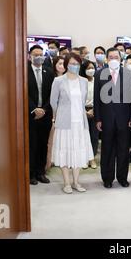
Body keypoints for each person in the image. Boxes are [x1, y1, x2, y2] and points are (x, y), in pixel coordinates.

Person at [50, 53, 94, 194]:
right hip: (64, 122)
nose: (74, 66)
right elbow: (53, 101)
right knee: (65, 151)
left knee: (78, 152)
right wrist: (57, 115)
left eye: (77, 64)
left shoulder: (83, 81)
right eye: (72, 63)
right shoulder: (58, 81)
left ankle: (76, 182)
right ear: (66, 64)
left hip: (80, 122)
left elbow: (83, 101)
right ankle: (67, 183)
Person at [94, 47, 131, 188]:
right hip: (106, 119)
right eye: (110, 57)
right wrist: (98, 118)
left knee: (124, 149)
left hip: (124, 119)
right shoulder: (100, 74)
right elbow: (96, 99)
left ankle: (122, 178)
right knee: (107, 149)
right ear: (107, 59)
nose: (113, 60)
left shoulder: (129, 74)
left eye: (116, 57)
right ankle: (107, 178)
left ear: (121, 58)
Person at [28, 45, 55, 185]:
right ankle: (31, 173)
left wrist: (43, 109)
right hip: (31, 114)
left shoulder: (49, 72)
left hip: (45, 114)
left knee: (43, 144)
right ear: (30, 56)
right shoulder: (24, 71)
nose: (39, 57)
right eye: (35, 55)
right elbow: (23, 92)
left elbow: (52, 94)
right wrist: (34, 109)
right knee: (32, 144)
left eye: (41, 55)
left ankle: (40, 172)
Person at [46, 55, 66, 171]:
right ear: (54, 65)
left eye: (64, 63)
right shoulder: (52, 78)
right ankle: (49, 161)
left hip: (65, 113)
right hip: (53, 111)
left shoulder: (69, 78)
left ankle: (61, 159)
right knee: (51, 138)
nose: (62, 66)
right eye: (59, 63)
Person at [80, 60, 98, 169]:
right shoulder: (80, 81)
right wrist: (84, 111)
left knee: (94, 136)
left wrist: (94, 110)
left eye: (92, 68)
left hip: (95, 111)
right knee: (83, 136)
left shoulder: (97, 81)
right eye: (88, 68)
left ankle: (92, 159)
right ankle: (84, 158)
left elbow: (101, 98)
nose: (91, 70)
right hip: (82, 111)